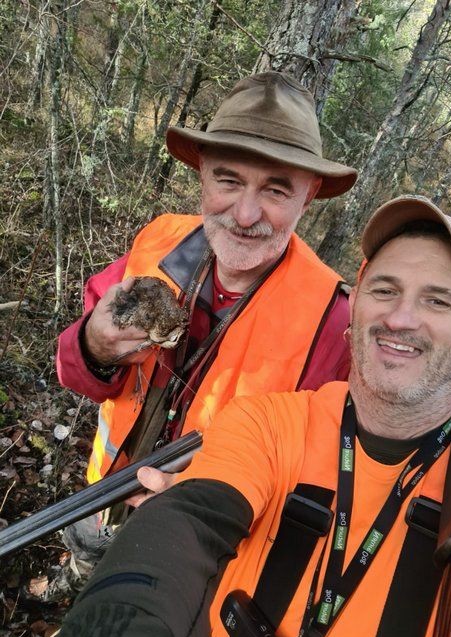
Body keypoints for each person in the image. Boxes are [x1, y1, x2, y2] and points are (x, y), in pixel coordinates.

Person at [59, 195, 451, 637]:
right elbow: (190, 519)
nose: (401, 317)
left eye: (439, 302)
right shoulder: (270, 423)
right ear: (356, 306)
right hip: (107, 490)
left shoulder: (318, 310)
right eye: (385, 290)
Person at [50, 72, 357, 593]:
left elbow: (322, 480)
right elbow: (77, 369)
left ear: (309, 197)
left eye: (276, 189)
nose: (244, 213)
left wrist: (207, 500)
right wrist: (95, 344)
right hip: (101, 494)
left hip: (194, 554)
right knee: (81, 572)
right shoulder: (157, 242)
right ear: (202, 175)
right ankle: (71, 581)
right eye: (228, 179)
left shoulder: (335, 322)